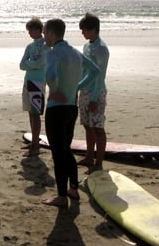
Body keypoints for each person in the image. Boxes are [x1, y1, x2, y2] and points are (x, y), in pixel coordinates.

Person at [40, 18, 100, 207]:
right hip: (71, 108)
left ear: (51, 33)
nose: (43, 36)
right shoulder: (75, 52)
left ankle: (61, 196)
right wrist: (76, 88)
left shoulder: (52, 53)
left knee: (59, 153)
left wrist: (55, 90)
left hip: (56, 109)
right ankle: (73, 189)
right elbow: (95, 71)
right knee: (66, 149)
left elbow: (50, 75)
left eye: (44, 32)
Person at [76, 13, 110, 173]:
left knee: (97, 127)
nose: (82, 33)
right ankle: (89, 157)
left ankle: (99, 163)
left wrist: (95, 98)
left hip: (97, 92)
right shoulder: (87, 46)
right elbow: (84, 69)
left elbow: (100, 74)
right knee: (87, 125)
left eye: (84, 30)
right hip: (84, 90)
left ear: (94, 29)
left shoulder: (102, 49)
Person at [19, 17, 47, 157]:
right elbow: (21, 64)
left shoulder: (45, 46)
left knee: (36, 114)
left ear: (38, 30)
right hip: (28, 81)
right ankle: (34, 141)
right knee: (30, 112)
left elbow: (39, 63)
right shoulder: (30, 46)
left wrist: (30, 64)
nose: (29, 33)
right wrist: (31, 64)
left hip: (38, 82)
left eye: (31, 30)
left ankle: (36, 145)